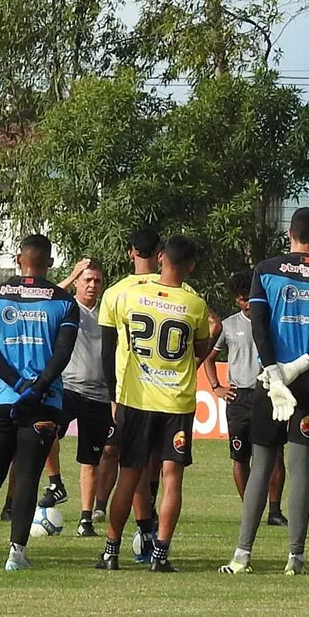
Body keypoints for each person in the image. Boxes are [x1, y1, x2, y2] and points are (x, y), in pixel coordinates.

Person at [223, 208, 309, 576]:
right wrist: (300, 367)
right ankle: (295, 557)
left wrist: (275, 372)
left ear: (290, 235)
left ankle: (242, 555)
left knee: (261, 465)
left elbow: (259, 326)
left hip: (271, 380)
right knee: (301, 470)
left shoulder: (266, 270)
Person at [97, 235, 214, 572]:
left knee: (129, 476)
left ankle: (111, 551)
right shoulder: (195, 304)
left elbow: (113, 343)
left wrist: (112, 393)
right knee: (171, 478)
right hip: (176, 402)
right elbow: (199, 350)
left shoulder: (129, 296)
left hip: (137, 398)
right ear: (191, 266)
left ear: (161, 258)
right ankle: (160, 556)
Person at [0, 234, 78, 571]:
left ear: (19, 259)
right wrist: (37, 386)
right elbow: (62, 354)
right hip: (44, 402)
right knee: (28, 476)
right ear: (50, 262)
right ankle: (16, 554)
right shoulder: (63, 301)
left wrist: (16, 383)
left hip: (1, 399)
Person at [205, 271, 285, 528]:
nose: (247, 303)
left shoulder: (273, 320)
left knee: (274, 454)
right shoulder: (228, 325)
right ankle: (250, 509)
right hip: (239, 397)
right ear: (236, 300)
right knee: (240, 456)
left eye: (249, 297)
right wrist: (216, 386)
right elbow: (208, 357)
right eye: (241, 299)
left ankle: (275, 510)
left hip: (268, 393)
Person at [54, 258, 116, 537]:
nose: (92, 285)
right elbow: (44, 297)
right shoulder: (66, 307)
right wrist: (70, 275)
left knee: (91, 460)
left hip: (99, 395)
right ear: (78, 281)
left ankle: (85, 519)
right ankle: (54, 484)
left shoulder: (108, 313)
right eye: (86, 279)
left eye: (97, 281)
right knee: (44, 435)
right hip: (67, 389)